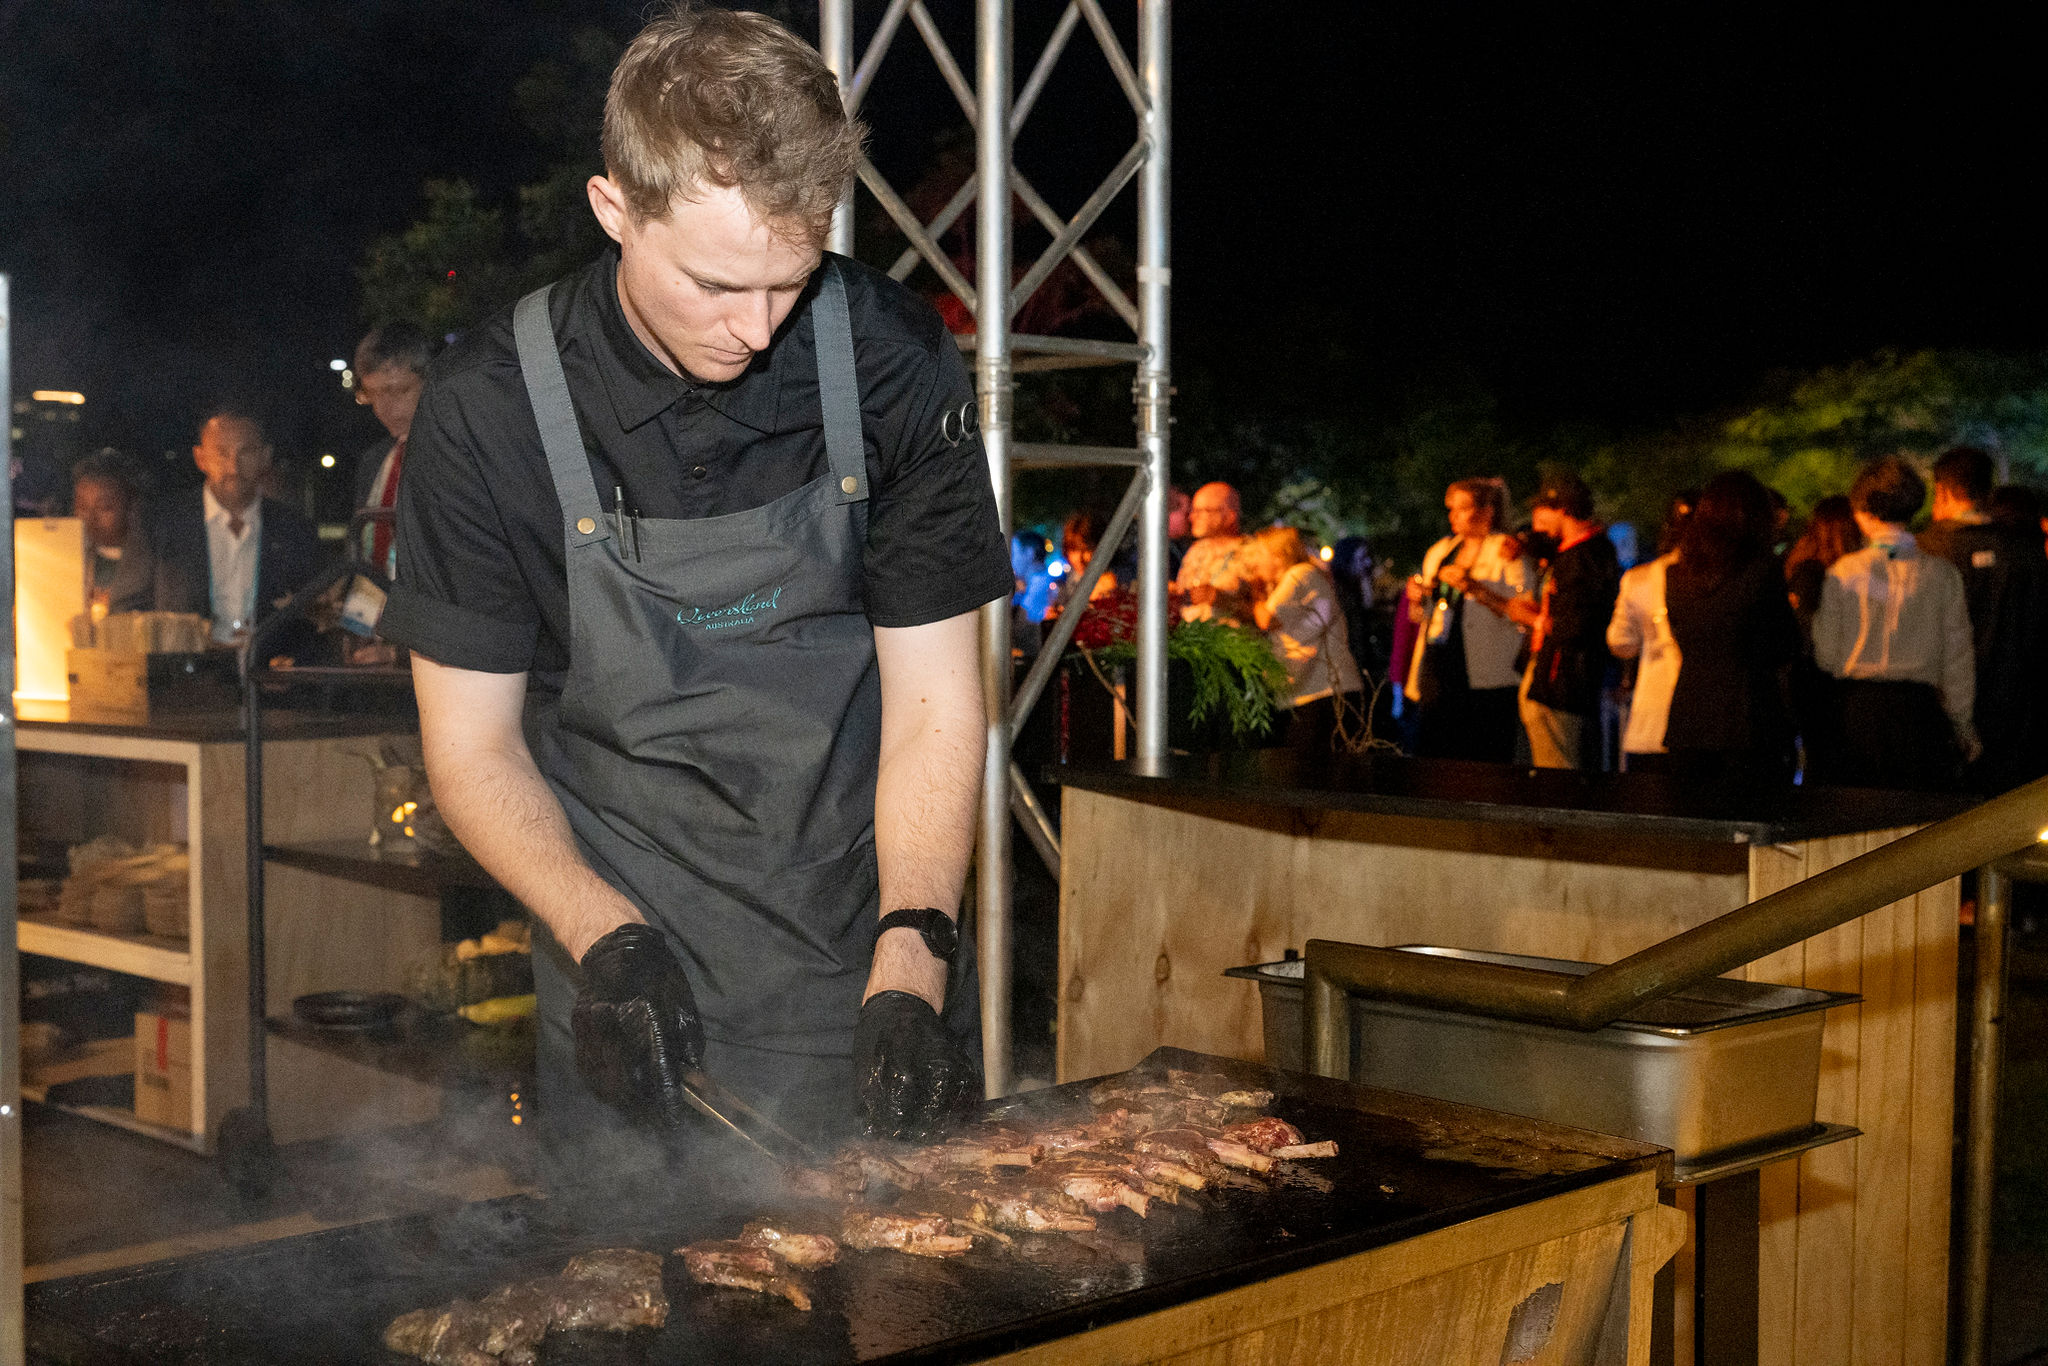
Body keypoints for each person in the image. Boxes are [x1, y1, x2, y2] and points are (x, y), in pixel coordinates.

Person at [376, 6, 1013, 1178]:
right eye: (716, 284)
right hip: (623, 979)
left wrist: (914, 954)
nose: (755, 330)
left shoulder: (889, 357)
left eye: (790, 279)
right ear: (614, 209)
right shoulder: (489, 412)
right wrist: (602, 936)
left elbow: (935, 702)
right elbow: (468, 747)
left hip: (870, 962)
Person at [1811, 456, 1976, 790]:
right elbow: (1957, 659)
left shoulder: (1844, 573)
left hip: (1857, 711)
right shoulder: (1942, 575)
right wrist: (1962, 723)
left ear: (1863, 512)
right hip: (1919, 713)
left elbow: (1826, 655)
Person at [1647, 471, 1799, 783]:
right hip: (1751, 719)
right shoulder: (1762, 571)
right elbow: (1786, 644)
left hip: (1690, 718)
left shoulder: (1676, 576)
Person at [1915, 448, 2048, 791]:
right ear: (1987, 490)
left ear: (1942, 490)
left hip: (1943, 708)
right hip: (2016, 706)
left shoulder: (1925, 552)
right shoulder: (2026, 551)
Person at [149, 407, 323, 647]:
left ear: (265, 457)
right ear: (201, 458)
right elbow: (127, 612)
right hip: (186, 669)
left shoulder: (296, 531)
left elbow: (316, 617)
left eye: (246, 452)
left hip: (269, 667)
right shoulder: (160, 525)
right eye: (222, 453)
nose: (233, 467)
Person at [1404, 477, 1531, 763]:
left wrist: (1475, 588)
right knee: (1435, 754)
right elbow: (1422, 616)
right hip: (1439, 665)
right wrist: (1417, 598)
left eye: (1462, 508)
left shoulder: (1507, 551)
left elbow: (1524, 614)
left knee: (1482, 758)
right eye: (1450, 509)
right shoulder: (1440, 551)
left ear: (1487, 512)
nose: (1453, 516)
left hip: (1486, 675)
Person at [1512, 472, 1619, 769]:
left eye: (1541, 512)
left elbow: (1578, 624)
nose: (1536, 523)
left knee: (1558, 771)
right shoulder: (1572, 552)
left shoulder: (1586, 557)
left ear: (1562, 509)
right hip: (1552, 681)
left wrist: (1532, 618)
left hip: (1561, 684)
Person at [1246, 525, 1363, 758]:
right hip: (1314, 692)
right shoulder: (1300, 578)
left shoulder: (1299, 574)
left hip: (1324, 693)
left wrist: (1254, 593)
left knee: (1311, 768)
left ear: (1278, 556)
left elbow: (1266, 619)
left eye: (1259, 554)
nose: (1254, 563)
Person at [350, 323, 436, 579]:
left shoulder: (456, 455)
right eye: (373, 394)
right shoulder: (374, 459)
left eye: (397, 390)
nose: (383, 407)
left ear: (431, 382)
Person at [71, 449, 154, 616]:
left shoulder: (154, 563)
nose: (90, 519)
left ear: (132, 508)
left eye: (104, 508)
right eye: (82, 507)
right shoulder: (70, 558)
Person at [1173, 481, 1254, 625]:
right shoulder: (1196, 550)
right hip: (1193, 633)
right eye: (1193, 511)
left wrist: (1222, 599)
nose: (1192, 517)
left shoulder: (1251, 552)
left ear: (1229, 516)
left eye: (1201, 511)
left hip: (1232, 636)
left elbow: (1265, 610)